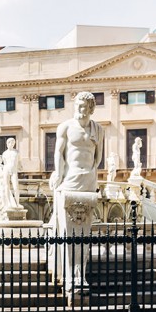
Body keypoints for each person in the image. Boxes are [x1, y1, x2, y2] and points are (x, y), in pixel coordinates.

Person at [48, 91, 104, 292]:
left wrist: (89, 174)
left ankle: (79, 273)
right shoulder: (65, 127)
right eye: (77, 106)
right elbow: (59, 154)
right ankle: (70, 274)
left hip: (87, 181)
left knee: (83, 233)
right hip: (70, 181)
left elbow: (97, 158)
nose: (80, 110)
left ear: (91, 108)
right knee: (69, 232)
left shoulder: (98, 130)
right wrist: (58, 174)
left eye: (83, 106)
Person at [0, 137, 22, 210]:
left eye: (13, 143)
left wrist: (20, 167)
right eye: (10, 142)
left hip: (14, 170)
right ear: (7, 144)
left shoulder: (16, 152)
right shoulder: (4, 153)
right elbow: (3, 163)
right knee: (7, 186)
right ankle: (8, 203)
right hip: (6, 169)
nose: (11, 144)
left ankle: (17, 203)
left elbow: (19, 162)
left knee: (16, 187)